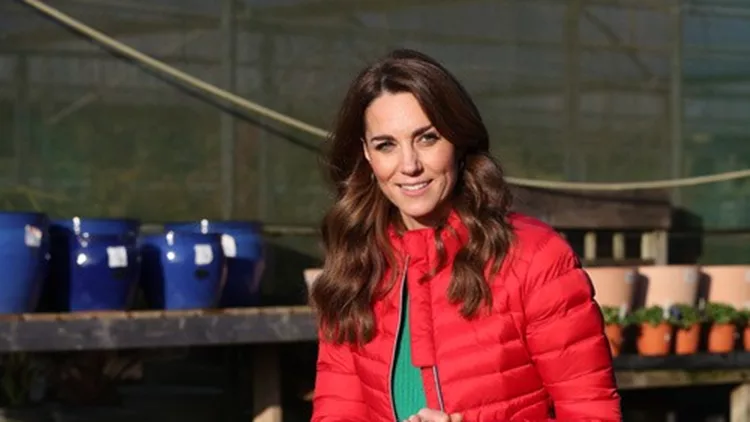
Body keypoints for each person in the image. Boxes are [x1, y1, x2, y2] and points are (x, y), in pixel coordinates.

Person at [309, 48, 621, 422]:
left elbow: (592, 414)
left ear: (458, 142)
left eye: (427, 138)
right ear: (367, 155)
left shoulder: (534, 257)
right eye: (386, 145)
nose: (409, 165)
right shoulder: (355, 266)